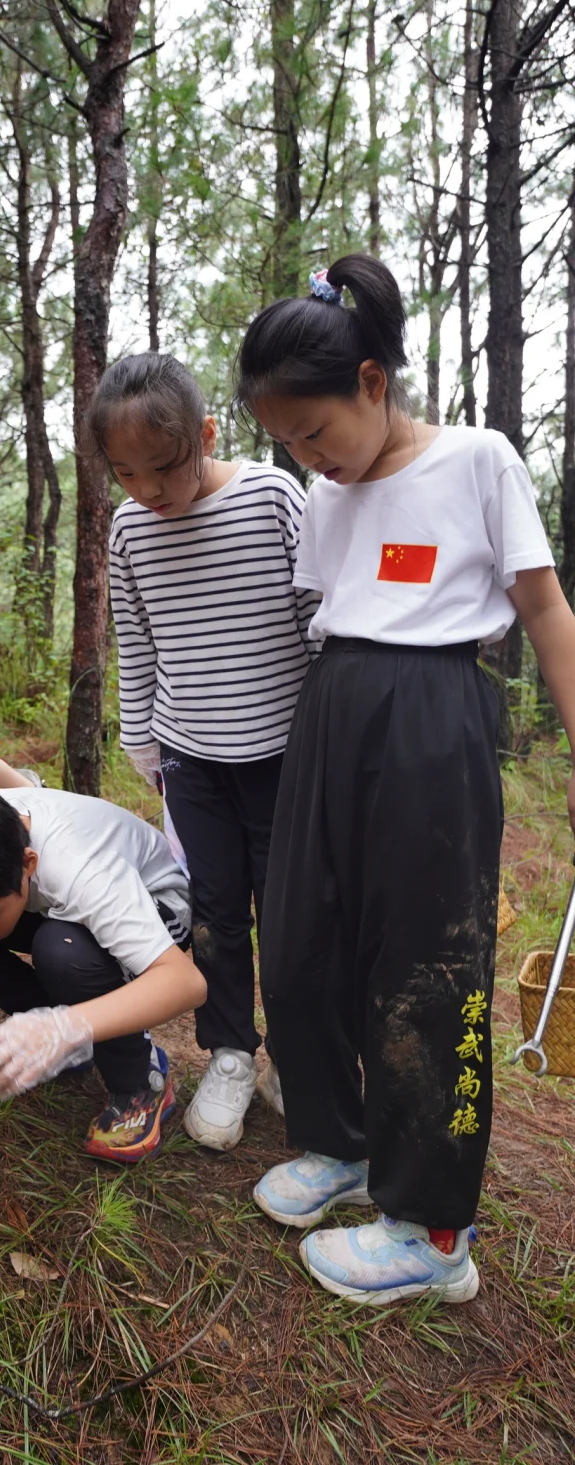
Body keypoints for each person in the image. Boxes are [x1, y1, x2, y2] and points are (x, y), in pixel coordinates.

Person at [235, 253, 575, 1305]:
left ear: (373, 383)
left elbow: (545, 608)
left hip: (435, 721)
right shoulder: (324, 491)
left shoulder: (477, 460)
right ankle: (339, 1144)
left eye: (317, 432)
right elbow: (324, 618)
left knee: (430, 970)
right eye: (285, 441)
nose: (308, 458)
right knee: (301, 943)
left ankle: (434, 1230)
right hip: (333, 714)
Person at [86, 352, 317, 1151]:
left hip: (287, 757)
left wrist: (329, 740)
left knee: (292, 914)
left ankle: (296, 1053)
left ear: (207, 435)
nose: (149, 490)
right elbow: (138, 639)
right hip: (192, 761)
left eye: (164, 466)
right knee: (215, 911)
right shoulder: (130, 528)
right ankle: (228, 1051)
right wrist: (142, 742)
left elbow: (317, 619)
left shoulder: (271, 496)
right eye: (126, 473)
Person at [0, 748, 207, 1163]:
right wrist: (34, 793)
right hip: (45, 899)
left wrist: (64, 1026)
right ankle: (51, 1037)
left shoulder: (83, 871)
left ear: (29, 861)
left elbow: (184, 983)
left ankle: (138, 1079)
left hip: (156, 903)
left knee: (62, 951)